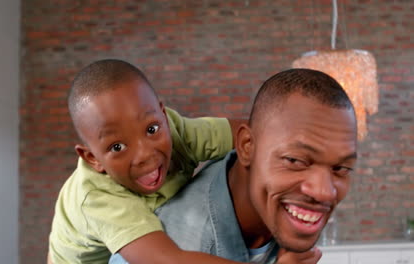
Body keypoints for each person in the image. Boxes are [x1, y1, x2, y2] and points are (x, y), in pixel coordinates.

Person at [110, 68, 358, 264]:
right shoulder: (182, 240)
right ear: (247, 147)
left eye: (340, 169)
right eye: (295, 161)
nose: (325, 192)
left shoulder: (280, 202)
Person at [48, 59, 249, 264]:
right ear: (93, 159)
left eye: (151, 129)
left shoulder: (175, 130)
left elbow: (247, 135)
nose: (144, 154)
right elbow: (167, 260)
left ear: (163, 115)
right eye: (117, 147)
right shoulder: (96, 197)